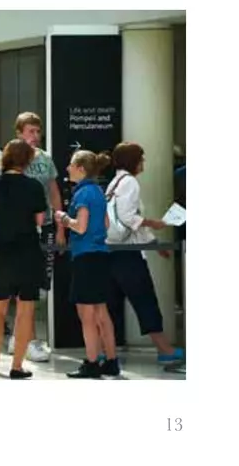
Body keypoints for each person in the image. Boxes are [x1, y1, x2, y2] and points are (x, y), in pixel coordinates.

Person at [101, 141, 184, 372]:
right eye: (141, 158)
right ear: (133, 160)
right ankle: (165, 350)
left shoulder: (115, 182)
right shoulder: (130, 183)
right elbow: (130, 218)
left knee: (111, 304)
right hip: (128, 255)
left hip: (112, 251)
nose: (143, 162)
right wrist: (153, 223)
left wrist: (154, 243)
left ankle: (106, 351)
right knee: (145, 300)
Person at [0, 138, 49, 378]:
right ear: (27, 160)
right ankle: (17, 365)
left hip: (2, 252)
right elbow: (40, 220)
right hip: (28, 251)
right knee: (25, 309)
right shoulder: (34, 186)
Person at [57, 150, 116, 379]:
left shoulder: (82, 193)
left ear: (80, 168)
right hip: (101, 254)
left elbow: (80, 227)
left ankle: (92, 362)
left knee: (86, 314)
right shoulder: (98, 191)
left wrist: (63, 219)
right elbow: (106, 223)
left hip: (85, 256)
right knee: (101, 311)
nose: (68, 169)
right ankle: (111, 360)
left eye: (71, 165)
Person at [14, 112, 61, 364]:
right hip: (22, 228)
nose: (35, 136)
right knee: (26, 285)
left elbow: (53, 191)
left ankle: (23, 336)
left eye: (37, 131)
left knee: (40, 283)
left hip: (47, 225)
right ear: (19, 133)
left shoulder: (45, 158)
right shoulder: (12, 156)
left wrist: (61, 226)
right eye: (30, 131)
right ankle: (28, 339)